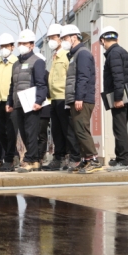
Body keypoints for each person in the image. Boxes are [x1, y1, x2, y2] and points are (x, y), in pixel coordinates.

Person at [60, 25, 102, 174]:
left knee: (81, 130)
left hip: (82, 99)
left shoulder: (82, 53)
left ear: (74, 37)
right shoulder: (74, 54)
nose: (63, 41)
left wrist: (79, 97)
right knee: (78, 130)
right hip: (76, 98)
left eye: (64, 38)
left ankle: (93, 159)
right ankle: (86, 160)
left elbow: (83, 77)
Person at [6, 30, 47, 173]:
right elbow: (13, 85)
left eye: (25, 43)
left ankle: (29, 160)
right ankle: (35, 160)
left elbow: (42, 84)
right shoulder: (16, 64)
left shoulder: (38, 61)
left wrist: (39, 101)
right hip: (18, 104)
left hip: (31, 103)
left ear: (32, 45)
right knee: (23, 133)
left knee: (31, 132)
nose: (22, 46)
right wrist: (9, 102)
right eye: (20, 43)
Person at [44, 23, 81, 171]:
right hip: (53, 98)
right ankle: (58, 158)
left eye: (53, 37)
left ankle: (74, 157)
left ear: (60, 38)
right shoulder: (54, 56)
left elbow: (70, 77)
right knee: (56, 131)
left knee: (68, 130)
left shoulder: (66, 55)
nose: (50, 41)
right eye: (49, 38)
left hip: (63, 97)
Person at [100, 26, 128, 172]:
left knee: (119, 129)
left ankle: (125, 161)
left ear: (103, 40)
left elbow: (118, 77)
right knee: (119, 128)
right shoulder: (121, 51)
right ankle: (120, 158)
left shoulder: (113, 54)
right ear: (117, 39)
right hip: (126, 94)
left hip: (120, 96)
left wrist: (118, 98)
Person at [0, 33, 20, 171]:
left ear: (12, 47)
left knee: (11, 131)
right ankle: (13, 155)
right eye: (2, 46)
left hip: (12, 101)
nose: (4, 49)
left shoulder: (17, 62)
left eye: (6, 46)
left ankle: (9, 159)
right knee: (0, 132)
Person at [35, 52, 51, 167]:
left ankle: (40, 157)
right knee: (35, 134)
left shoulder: (46, 75)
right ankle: (36, 156)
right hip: (33, 108)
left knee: (41, 135)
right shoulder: (32, 75)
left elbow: (50, 91)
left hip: (44, 109)